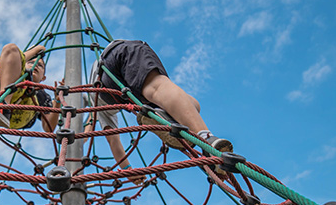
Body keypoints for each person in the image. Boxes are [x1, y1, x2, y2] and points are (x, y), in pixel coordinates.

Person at [86, 39, 232, 171]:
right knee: (192, 105)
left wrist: (127, 170)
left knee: (156, 89)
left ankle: (206, 138)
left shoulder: (96, 102)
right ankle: (161, 115)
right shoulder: (101, 104)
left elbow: (113, 140)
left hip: (112, 66)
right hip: (136, 50)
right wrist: (128, 169)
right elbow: (113, 139)